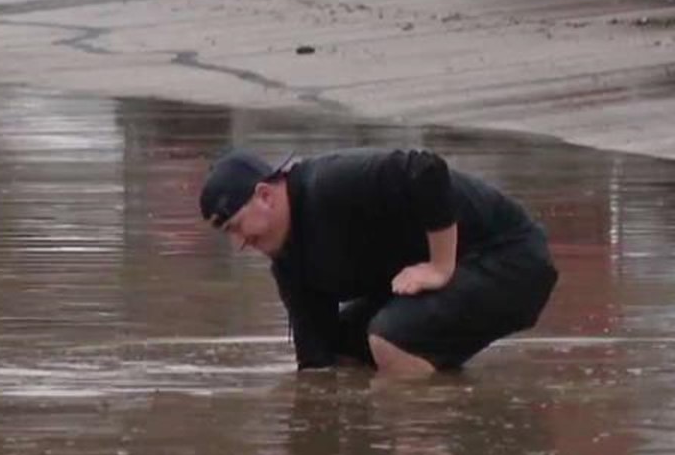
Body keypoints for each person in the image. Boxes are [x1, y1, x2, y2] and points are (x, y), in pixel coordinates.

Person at [199, 147, 558, 376]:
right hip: (460, 275)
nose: (240, 243)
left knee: (390, 337)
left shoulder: (329, 183)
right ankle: (395, 441)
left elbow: (428, 171)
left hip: (510, 258)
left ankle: (427, 435)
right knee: (343, 346)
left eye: (236, 226)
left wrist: (440, 266)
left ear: (265, 195)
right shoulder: (288, 263)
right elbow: (315, 364)